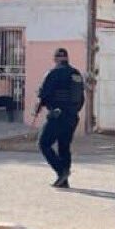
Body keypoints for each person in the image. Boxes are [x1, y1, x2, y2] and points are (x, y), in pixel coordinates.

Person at [34, 48, 85, 188]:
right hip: (72, 117)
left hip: (58, 116)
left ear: (56, 59)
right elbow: (81, 98)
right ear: (67, 58)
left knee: (43, 143)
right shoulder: (76, 74)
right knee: (64, 147)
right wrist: (73, 111)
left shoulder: (53, 73)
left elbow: (43, 95)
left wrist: (37, 110)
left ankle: (61, 171)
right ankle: (64, 181)